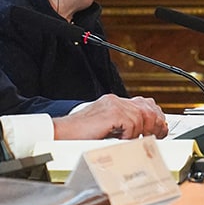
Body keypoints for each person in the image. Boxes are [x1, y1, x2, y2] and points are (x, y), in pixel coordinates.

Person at [0, 67, 168, 159]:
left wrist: (91, 113)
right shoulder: (10, 14)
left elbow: (11, 108)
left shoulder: (87, 18)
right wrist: (63, 128)